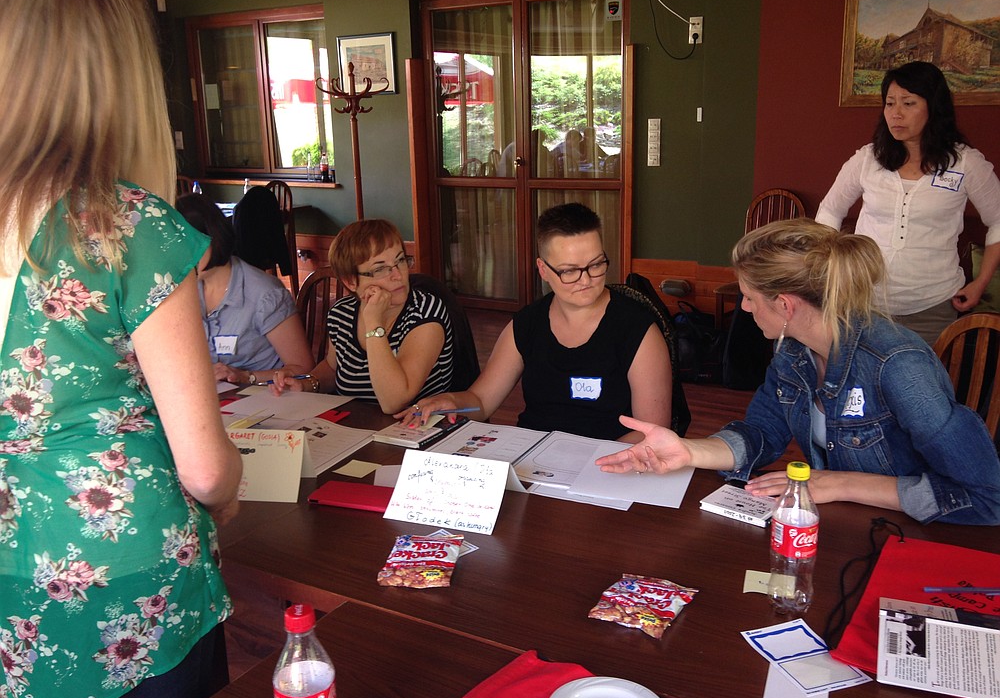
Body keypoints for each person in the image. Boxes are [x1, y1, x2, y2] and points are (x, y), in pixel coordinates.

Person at [0, 0, 243, 698]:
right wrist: (231, 492)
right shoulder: (125, 227)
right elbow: (204, 469)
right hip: (134, 582)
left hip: (13, 564)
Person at [596, 219, 1000, 525]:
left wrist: (842, 483)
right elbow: (761, 434)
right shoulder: (794, 351)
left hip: (912, 538)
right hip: (833, 527)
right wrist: (689, 451)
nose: (747, 308)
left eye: (750, 298)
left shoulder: (898, 365)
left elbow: (986, 497)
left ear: (786, 305)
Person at [398, 203, 672, 442]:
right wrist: (453, 401)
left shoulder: (637, 329)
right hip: (535, 459)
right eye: (569, 271)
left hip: (608, 466)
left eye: (596, 265)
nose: (586, 280)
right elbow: (481, 402)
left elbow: (653, 431)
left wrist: (591, 464)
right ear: (543, 270)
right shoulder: (527, 324)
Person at [816, 60, 1000, 345]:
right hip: (864, 303)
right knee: (862, 387)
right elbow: (830, 210)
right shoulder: (868, 159)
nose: (896, 114)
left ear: (933, 107)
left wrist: (980, 283)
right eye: (890, 104)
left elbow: (998, 220)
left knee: (918, 388)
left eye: (908, 103)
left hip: (933, 307)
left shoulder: (967, 163)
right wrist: (833, 270)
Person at [272, 219, 454, 414]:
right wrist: (307, 384)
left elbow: (394, 400)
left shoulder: (425, 311)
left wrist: (374, 324)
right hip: (354, 429)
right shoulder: (342, 313)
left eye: (401, 260)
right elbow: (333, 368)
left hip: (413, 432)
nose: (398, 275)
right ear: (351, 281)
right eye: (380, 269)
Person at [176, 193, 314, 385]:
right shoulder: (185, 290)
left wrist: (246, 376)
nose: (181, 259)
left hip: (268, 400)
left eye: (189, 247)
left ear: (212, 237)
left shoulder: (265, 294)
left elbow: (303, 369)